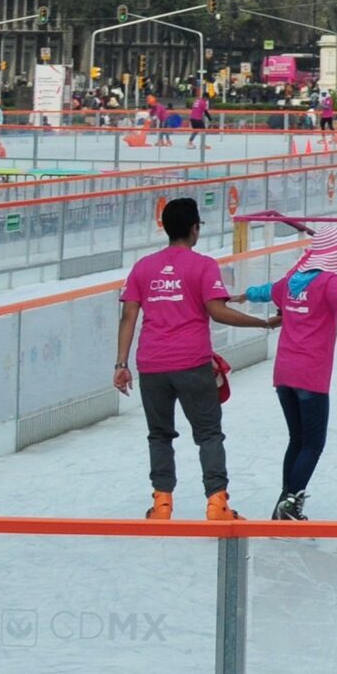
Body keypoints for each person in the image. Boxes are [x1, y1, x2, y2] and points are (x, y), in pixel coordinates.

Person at [115, 197, 280, 520]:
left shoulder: (143, 267)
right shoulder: (203, 265)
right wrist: (262, 322)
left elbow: (128, 317)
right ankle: (217, 503)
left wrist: (121, 365)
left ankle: (162, 504)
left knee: (159, 434)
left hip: (152, 365)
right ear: (194, 229)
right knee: (208, 434)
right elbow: (217, 311)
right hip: (192, 362)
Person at [240, 230, 337, 518]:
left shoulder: (290, 282)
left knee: (297, 439)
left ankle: (284, 503)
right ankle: (289, 504)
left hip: (284, 373)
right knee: (313, 443)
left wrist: (243, 295)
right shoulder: (329, 281)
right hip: (311, 375)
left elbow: (267, 290)